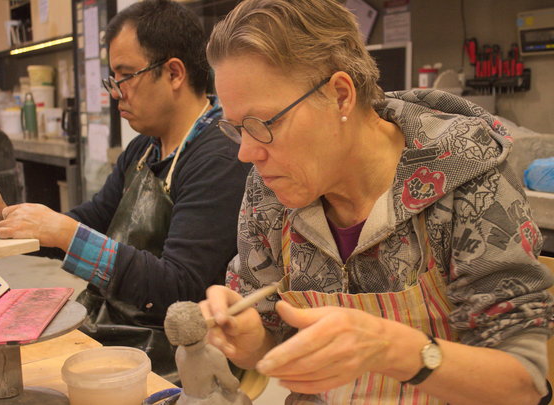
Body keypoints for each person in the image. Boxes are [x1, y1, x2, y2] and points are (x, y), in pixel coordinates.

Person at [199, 0, 554, 404]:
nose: (246, 152)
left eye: (262, 124)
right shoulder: (270, 192)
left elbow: (521, 385)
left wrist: (390, 348)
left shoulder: (465, 174)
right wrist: (252, 342)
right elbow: (271, 344)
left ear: (340, 96)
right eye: (236, 128)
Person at [0, 0, 250, 375]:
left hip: (176, 353)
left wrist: (67, 234)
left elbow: (179, 287)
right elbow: (92, 218)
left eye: (125, 77)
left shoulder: (219, 155)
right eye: (112, 79)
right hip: (115, 327)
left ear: (174, 73)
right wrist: (1, 216)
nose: (115, 92)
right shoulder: (143, 149)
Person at [164, 301, 252, 405]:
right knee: (242, 398)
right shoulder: (211, 354)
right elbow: (230, 384)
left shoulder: (179, 352)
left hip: (185, 400)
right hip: (209, 401)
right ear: (201, 322)